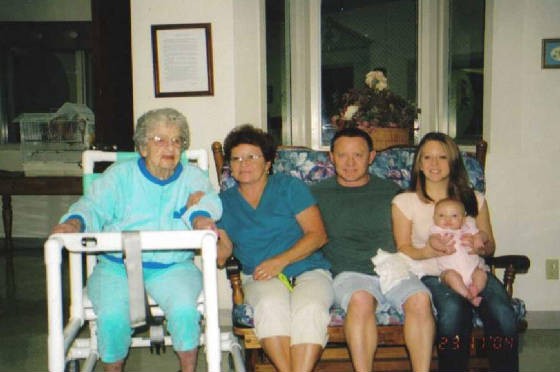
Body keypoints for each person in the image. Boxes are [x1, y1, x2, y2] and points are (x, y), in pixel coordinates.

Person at [51, 108, 222, 372]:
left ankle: (188, 369)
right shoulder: (120, 175)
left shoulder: (191, 176)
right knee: (111, 318)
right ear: (142, 147)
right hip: (116, 267)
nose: (170, 147)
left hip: (173, 266)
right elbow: (93, 207)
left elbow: (210, 200)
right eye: (160, 140)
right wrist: (74, 223)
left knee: (185, 313)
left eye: (177, 140)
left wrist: (200, 216)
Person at [392, 132, 518, 371]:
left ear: (453, 162)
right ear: (418, 163)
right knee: (453, 311)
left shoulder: (474, 199)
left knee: (502, 312)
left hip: (475, 269)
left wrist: (481, 243)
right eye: (427, 157)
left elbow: (491, 247)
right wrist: (429, 250)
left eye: (442, 157)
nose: (434, 164)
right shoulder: (404, 201)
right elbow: (404, 248)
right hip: (434, 272)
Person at [311, 127, 435, 372]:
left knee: (420, 300)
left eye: (357, 155)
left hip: (395, 268)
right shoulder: (315, 194)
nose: (349, 163)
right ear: (331, 157)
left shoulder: (393, 193)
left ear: (371, 156)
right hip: (349, 273)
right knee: (361, 300)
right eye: (342, 155)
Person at [216, 124, 333, 372]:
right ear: (230, 166)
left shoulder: (289, 187)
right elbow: (221, 256)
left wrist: (280, 261)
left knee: (310, 309)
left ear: (268, 162)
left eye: (252, 157)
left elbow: (318, 235)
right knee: (270, 306)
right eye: (236, 158)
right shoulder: (224, 202)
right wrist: (202, 221)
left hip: (308, 269)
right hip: (259, 276)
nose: (243, 163)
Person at [431, 198, 488, 307]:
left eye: (454, 216)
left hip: (472, 270)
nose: (447, 220)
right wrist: (442, 247)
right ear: (434, 219)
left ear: (463, 220)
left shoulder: (468, 229)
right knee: (451, 276)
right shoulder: (438, 231)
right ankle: (468, 295)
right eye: (441, 216)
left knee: (481, 274)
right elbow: (432, 241)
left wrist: (479, 238)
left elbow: (485, 235)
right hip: (450, 271)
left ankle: (475, 289)